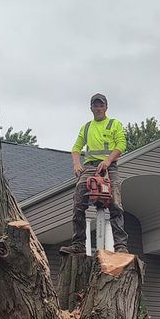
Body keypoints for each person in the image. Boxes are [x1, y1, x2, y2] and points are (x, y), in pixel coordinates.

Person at [60, 93, 128, 255]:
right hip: (90, 168)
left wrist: (108, 160)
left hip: (109, 167)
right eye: (95, 106)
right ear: (91, 108)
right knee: (78, 202)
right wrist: (77, 164)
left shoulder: (114, 124)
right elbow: (76, 148)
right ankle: (78, 244)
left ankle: (120, 246)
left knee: (115, 203)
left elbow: (121, 144)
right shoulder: (87, 127)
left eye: (101, 105)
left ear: (106, 107)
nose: (98, 108)